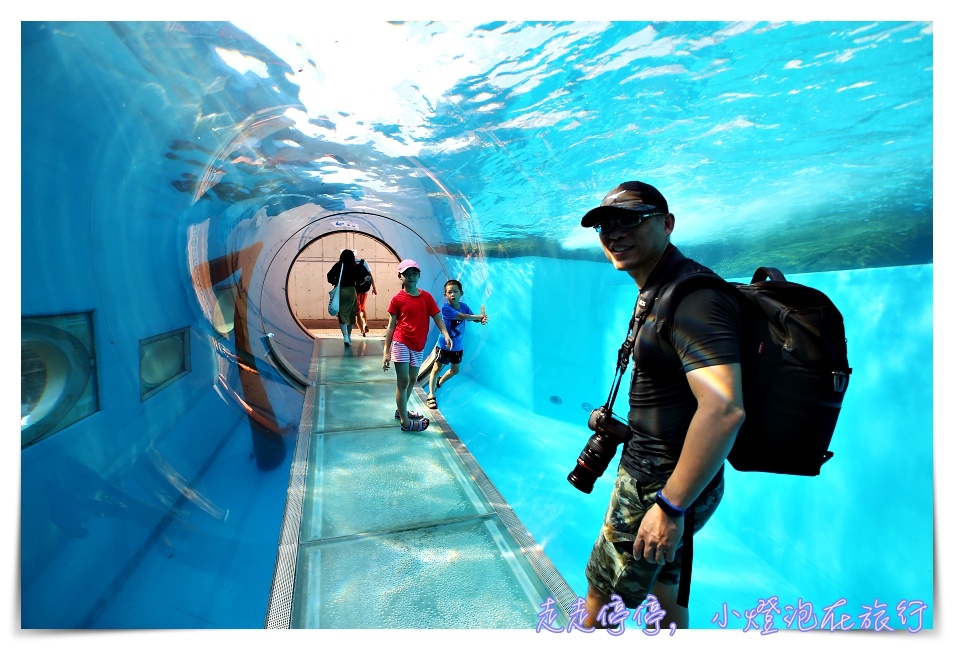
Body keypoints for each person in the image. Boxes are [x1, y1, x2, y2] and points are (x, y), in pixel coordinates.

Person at [578, 180, 745, 630]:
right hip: (663, 478)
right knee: (662, 598)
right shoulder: (661, 286)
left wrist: (670, 508)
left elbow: (724, 408)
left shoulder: (693, 296)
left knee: (600, 600)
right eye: (604, 225)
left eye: (630, 219)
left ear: (667, 224)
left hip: (657, 484)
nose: (613, 233)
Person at [383, 259, 452, 432]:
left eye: (414, 273)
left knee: (413, 379)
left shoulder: (426, 297)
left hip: (418, 344)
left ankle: (401, 411)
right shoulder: (397, 299)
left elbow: (437, 317)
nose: (411, 276)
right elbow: (391, 326)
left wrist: (445, 333)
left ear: (419, 275)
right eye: (407, 273)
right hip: (401, 341)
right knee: (403, 380)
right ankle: (405, 423)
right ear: (400, 276)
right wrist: (386, 352)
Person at [425, 280, 488, 409]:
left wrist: (480, 320)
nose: (452, 294)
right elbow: (463, 316)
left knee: (455, 371)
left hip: (458, 347)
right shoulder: (445, 308)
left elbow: (471, 318)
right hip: (444, 345)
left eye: (455, 291)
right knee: (436, 368)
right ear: (445, 295)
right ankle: (431, 395)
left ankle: (440, 382)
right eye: (449, 292)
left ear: (461, 293)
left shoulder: (464, 306)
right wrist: (478, 316)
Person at [326, 249, 363, 346]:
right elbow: (360, 279)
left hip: (341, 291)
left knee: (342, 315)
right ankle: (350, 335)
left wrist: (335, 282)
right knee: (351, 314)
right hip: (351, 291)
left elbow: (329, 276)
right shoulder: (355, 267)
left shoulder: (338, 266)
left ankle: (345, 336)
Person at [354, 256, 377, 336]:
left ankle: (362, 331)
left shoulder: (349, 263)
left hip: (355, 291)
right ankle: (365, 325)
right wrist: (374, 288)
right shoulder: (363, 262)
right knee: (363, 309)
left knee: (357, 312)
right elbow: (370, 276)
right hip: (364, 290)